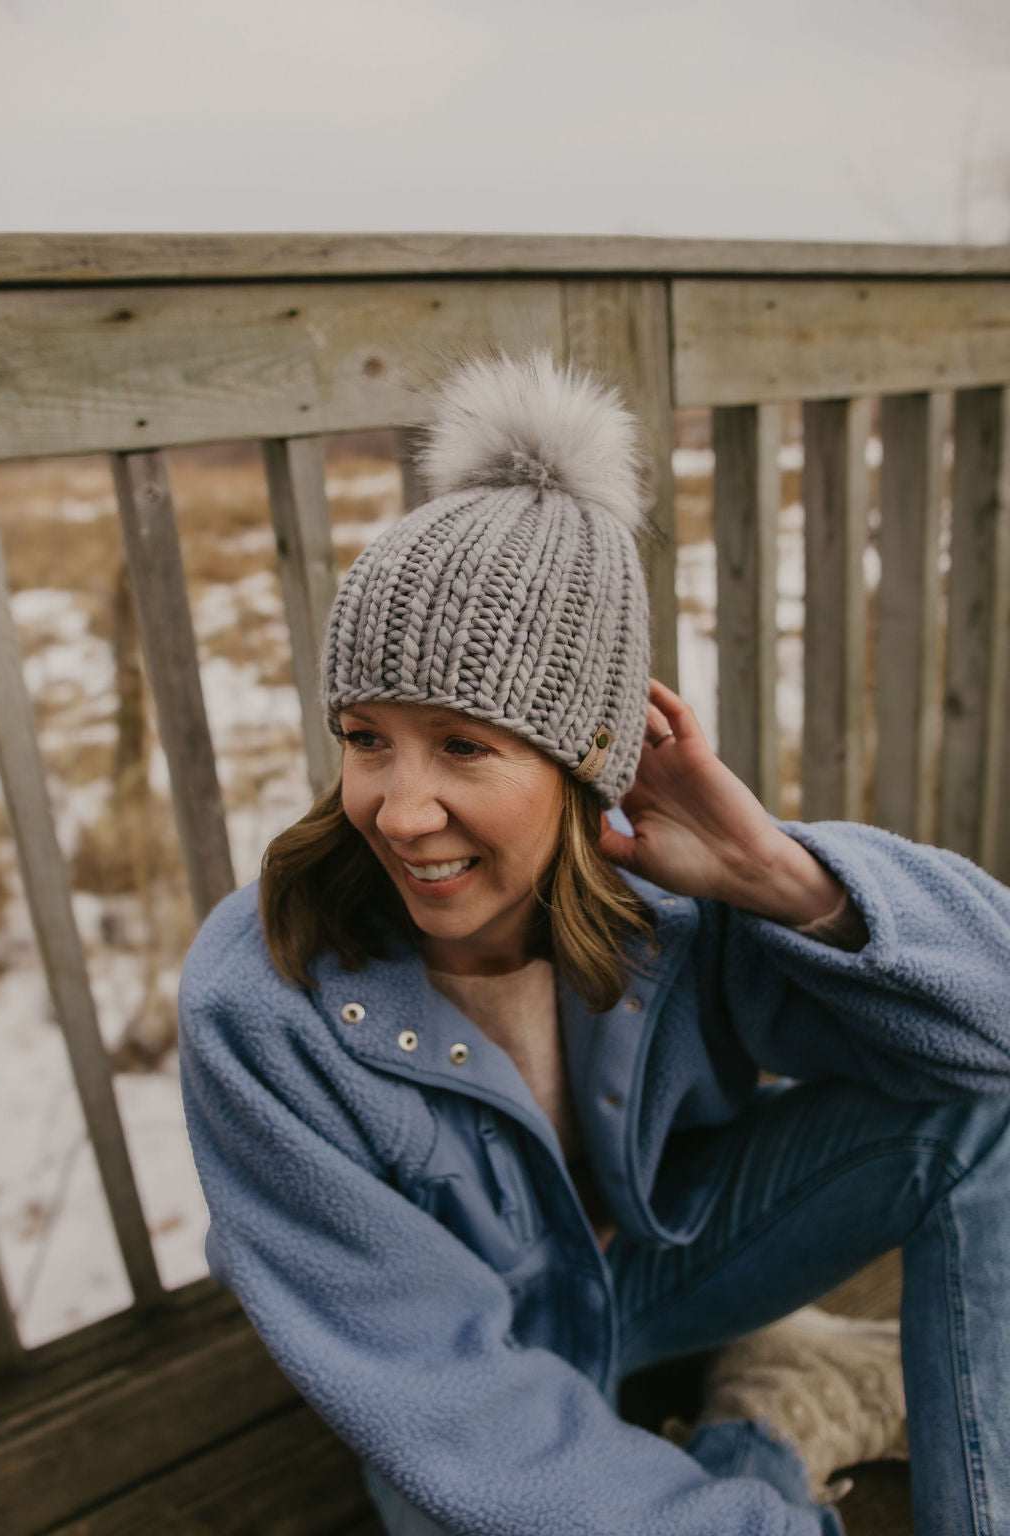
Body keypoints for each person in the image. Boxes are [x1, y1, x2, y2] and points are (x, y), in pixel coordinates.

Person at [178, 350, 1010, 1536]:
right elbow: (455, 1414)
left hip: (665, 1264)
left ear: (588, 761)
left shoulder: (670, 905)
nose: (398, 812)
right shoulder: (261, 1004)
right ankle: (766, 1427)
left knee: (982, 1121)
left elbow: (993, 1038)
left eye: (463, 746)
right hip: (463, 1372)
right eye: (366, 739)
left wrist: (782, 877)